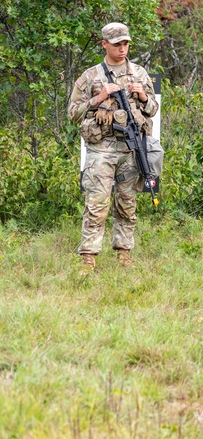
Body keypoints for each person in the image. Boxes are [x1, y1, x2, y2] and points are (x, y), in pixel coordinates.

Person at [68, 23, 159, 274]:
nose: (122, 49)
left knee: (127, 204)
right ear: (104, 44)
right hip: (102, 149)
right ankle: (88, 257)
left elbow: (152, 109)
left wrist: (143, 97)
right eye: (117, 44)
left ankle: (124, 253)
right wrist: (98, 98)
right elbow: (72, 113)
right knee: (96, 204)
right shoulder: (90, 76)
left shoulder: (140, 73)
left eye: (126, 44)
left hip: (131, 148)